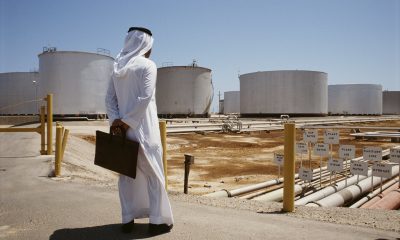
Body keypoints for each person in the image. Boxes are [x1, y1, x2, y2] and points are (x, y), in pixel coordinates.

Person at [105, 27, 174, 234]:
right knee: (154, 174)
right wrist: (127, 122)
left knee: (126, 175)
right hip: (144, 130)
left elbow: (110, 99)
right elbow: (144, 98)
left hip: (122, 131)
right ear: (145, 45)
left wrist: (116, 122)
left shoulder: (117, 68)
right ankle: (156, 221)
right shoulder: (148, 66)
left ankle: (127, 219)